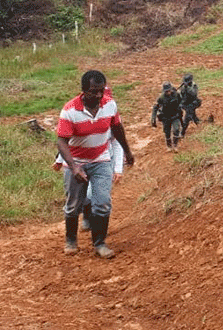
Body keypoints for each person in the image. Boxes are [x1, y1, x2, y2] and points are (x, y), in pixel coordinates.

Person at [56, 70, 134, 258]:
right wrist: (74, 167)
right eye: (93, 91)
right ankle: (71, 240)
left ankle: (99, 243)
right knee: (74, 204)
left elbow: (117, 129)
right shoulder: (69, 111)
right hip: (76, 162)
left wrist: (128, 152)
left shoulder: (110, 105)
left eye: (101, 91)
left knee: (103, 203)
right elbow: (61, 142)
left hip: (101, 160)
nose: (98, 96)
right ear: (83, 91)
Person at [53, 87, 125, 232]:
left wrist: (118, 168)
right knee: (83, 197)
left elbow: (118, 143)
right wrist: (60, 160)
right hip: (79, 161)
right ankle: (86, 218)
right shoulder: (74, 113)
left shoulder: (110, 115)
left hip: (104, 160)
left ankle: (98, 235)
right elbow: (70, 142)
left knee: (98, 196)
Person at [151, 82, 183, 150]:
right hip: (166, 117)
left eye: (169, 90)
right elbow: (155, 107)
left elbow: (181, 101)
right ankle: (169, 146)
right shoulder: (161, 97)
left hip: (175, 115)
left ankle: (175, 145)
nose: (168, 92)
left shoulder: (176, 94)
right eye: (166, 91)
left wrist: (180, 106)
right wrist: (153, 118)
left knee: (176, 129)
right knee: (167, 132)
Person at [178, 73, 201, 138]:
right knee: (193, 116)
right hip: (185, 104)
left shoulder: (194, 86)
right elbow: (181, 95)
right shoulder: (183, 87)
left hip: (192, 103)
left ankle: (182, 133)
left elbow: (194, 94)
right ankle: (200, 124)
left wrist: (187, 87)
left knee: (187, 118)